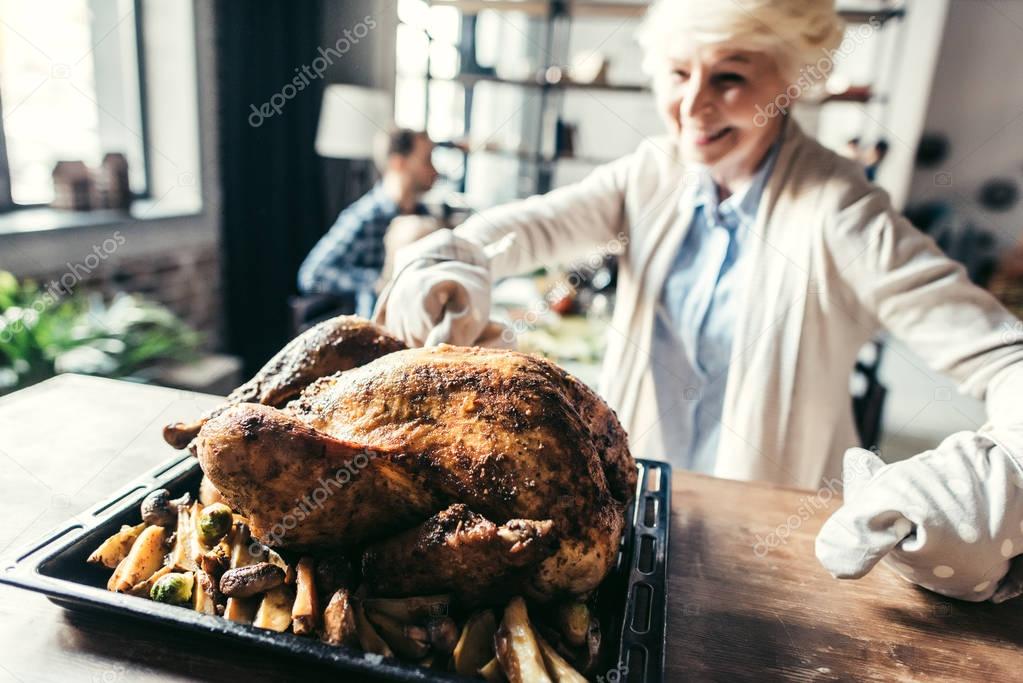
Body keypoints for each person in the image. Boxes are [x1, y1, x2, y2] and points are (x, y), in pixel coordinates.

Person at [374, 0, 1023, 603]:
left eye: (730, 78)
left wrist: (997, 479)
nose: (692, 106)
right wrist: (449, 264)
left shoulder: (840, 209)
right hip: (633, 509)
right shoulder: (651, 172)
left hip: (777, 535)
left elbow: (1002, 354)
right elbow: (520, 230)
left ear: (792, 81)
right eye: (678, 73)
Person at [297, 128, 439, 317]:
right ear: (399, 163)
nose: (435, 170)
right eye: (427, 160)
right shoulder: (366, 216)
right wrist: (376, 282)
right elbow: (311, 275)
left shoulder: (423, 215)